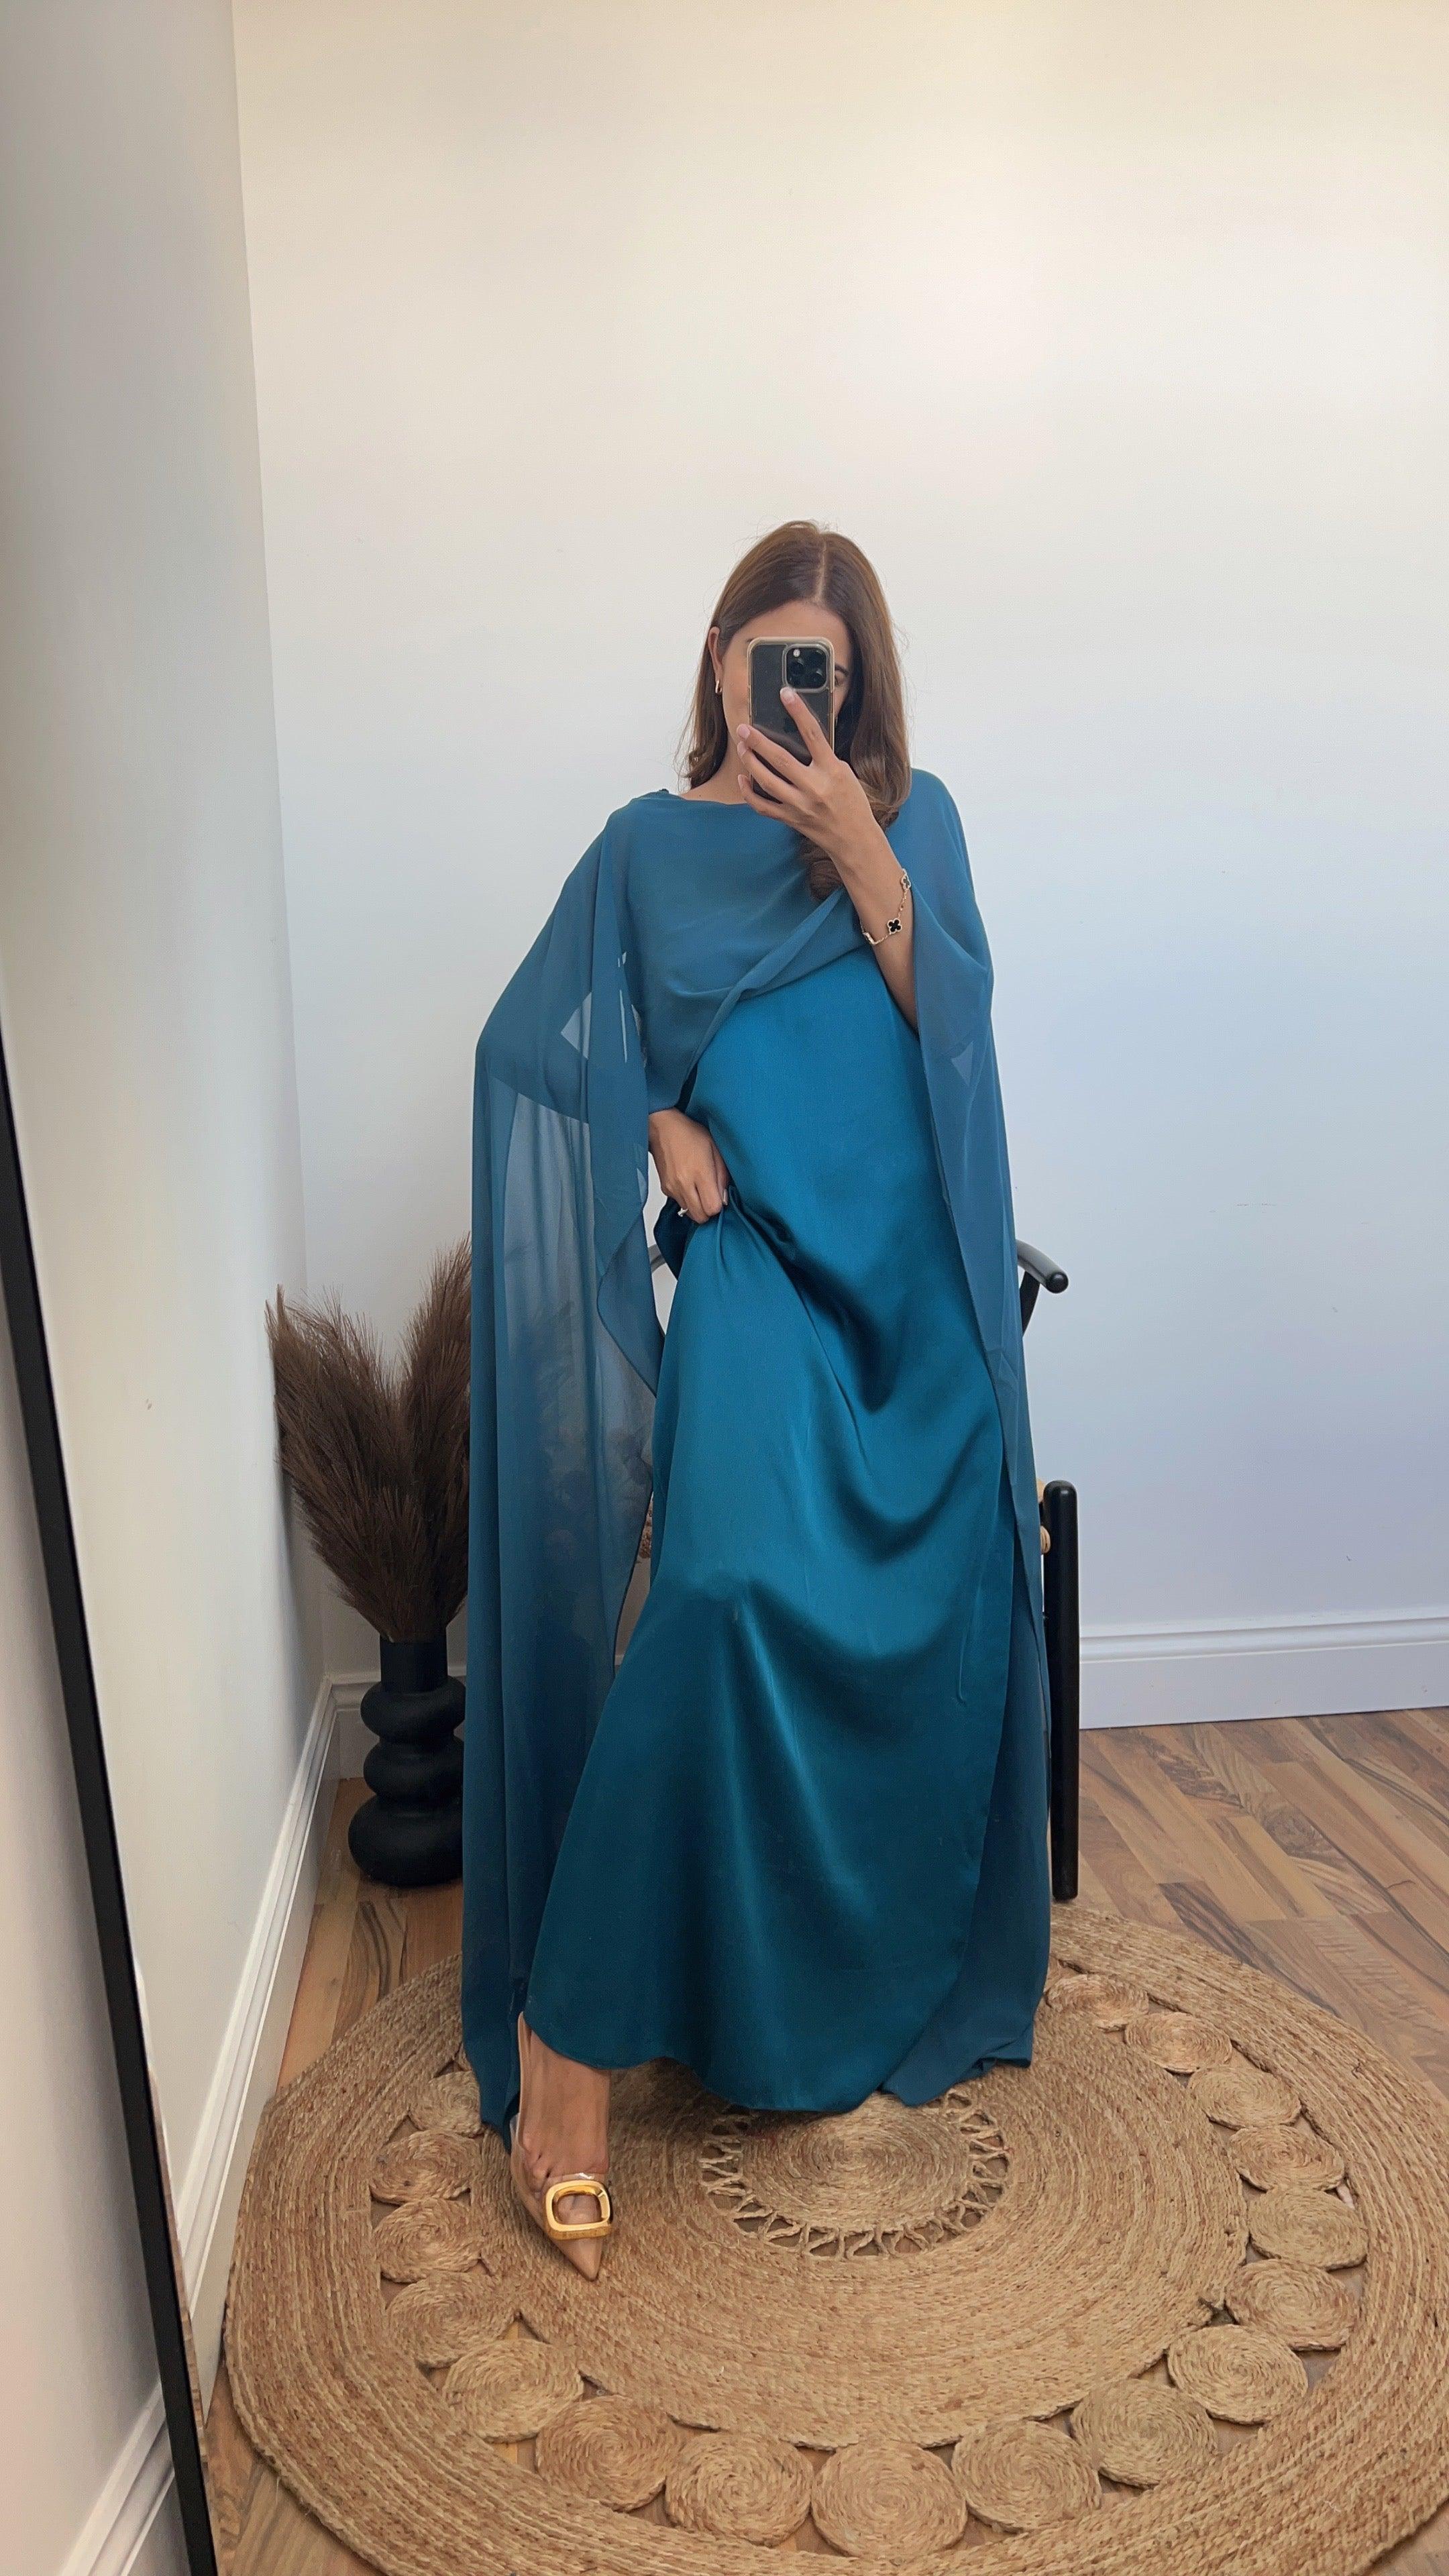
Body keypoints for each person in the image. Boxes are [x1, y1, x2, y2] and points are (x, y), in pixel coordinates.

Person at [462, 521, 1051, 2277]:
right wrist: (656, 1117)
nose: (793, 693)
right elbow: (531, 1044)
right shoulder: (643, 851)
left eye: (828, 672)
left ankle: (820, 1974)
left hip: (918, 1303)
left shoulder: (915, 819)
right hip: (762, 1271)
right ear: (718, 655)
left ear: (856, 690)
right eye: (767, 656)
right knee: (716, 1588)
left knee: (932, 1585)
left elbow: (959, 1040)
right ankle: (569, 2045)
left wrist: (866, 853)